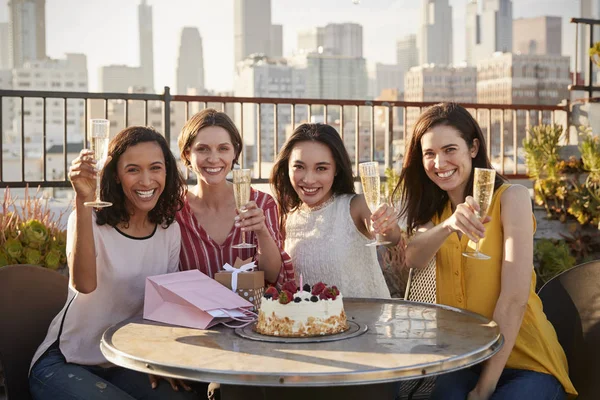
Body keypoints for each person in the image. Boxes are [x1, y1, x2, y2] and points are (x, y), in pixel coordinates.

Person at [394, 102, 577, 400]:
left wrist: (484, 390)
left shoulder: (512, 198)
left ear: (474, 147)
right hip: (465, 360)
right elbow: (413, 256)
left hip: (527, 361)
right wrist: (450, 225)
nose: (439, 163)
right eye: (430, 153)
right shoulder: (437, 213)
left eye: (450, 149)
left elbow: (515, 299)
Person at [29, 127, 199, 400]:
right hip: (67, 361)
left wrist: (161, 356)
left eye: (155, 168)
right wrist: (83, 199)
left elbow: (162, 309)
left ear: (166, 172)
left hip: (126, 360)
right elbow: (83, 285)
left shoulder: (169, 230)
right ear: (117, 177)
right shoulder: (89, 220)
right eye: (133, 170)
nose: (146, 181)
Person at [270, 123, 403, 298]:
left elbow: (388, 238)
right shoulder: (285, 216)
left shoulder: (356, 206)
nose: (309, 179)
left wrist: (387, 226)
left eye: (321, 168)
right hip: (311, 323)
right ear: (287, 167)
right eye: (299, 167)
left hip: (367, 321)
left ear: (336, 170)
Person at [177, 108, 294, 286]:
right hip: (195, 313)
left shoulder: (262, 203)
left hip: (251, 313)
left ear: (234, 152)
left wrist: (262, 231)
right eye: (202, 149)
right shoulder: (176, 210)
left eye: (223, 148)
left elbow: (271, 275)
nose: (213, 158)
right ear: (187, 154)